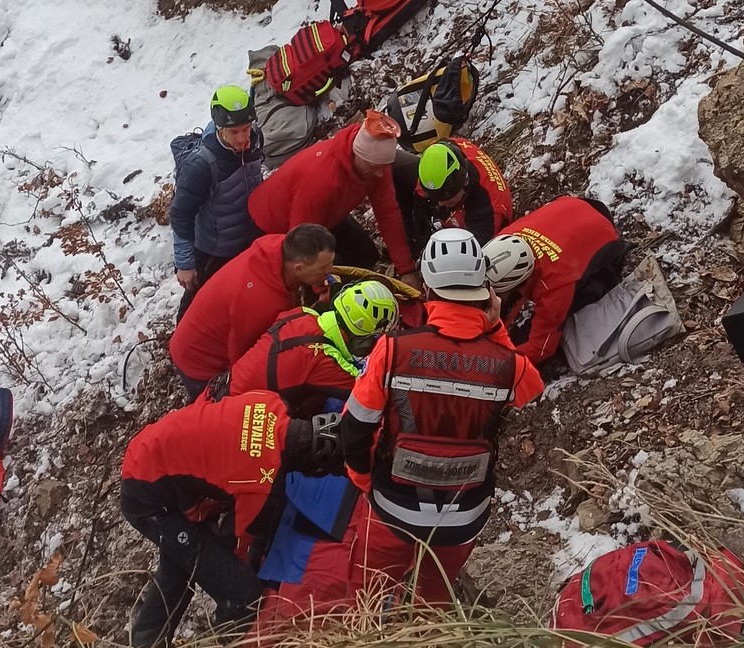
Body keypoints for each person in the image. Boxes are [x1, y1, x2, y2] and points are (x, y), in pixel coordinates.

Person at [338, 228, 544, 605]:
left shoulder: (392, 350)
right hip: (464, 515)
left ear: (429, 291)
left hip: (392, 506)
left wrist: (366, 481)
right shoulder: (508, 365)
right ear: (485, 293)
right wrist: (495, 327)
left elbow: (354, 429)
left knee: (365, 598)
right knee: (433, 603)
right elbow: (532, 390)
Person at [121, 388, 343, 648]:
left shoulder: (271, 402)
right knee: (243, 594)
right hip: (148, 496)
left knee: (181, 564)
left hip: (149, 453)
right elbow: (238, 547)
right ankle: (222, 640)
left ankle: (146, 643)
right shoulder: (264, 479)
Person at [247, 110, 421, 288]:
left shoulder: (376, 165)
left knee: (367, 257)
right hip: (274, 226)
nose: (380, 174)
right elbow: (300, 241)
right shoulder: (321, 180)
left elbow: (388, 213)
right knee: (339, 279)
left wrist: (406, 269)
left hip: (329, 215)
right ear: (357, 155)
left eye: (383, 168)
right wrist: (319, 286)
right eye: (374, 167)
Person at [169, 224, 336, 401]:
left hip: (215, 329)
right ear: (298, 269)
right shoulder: (260, 302)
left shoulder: (278, 247)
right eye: (324, 268)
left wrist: (320, 285)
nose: (330, 270)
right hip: (200, 362)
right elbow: (244, 363)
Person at [482, 195, 627, 365]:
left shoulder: (553, 286)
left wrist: (496, 363)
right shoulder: (501, 242)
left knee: (576, 303)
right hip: (574, 206)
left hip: (605, 234)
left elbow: (540, 348)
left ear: (520, 283)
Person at [228, 281, 400, 417]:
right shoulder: (323, 359)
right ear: (363, 340)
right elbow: (370, 391)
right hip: (239, 420)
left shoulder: (301, 313)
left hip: (222, 392)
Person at [171, 85, 266, 321]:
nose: (242, 138)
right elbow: (180, 215)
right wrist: (185, 264)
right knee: (196, 303)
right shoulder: (201, 164)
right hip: (213, 250)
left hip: (246, 239)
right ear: (220, 129)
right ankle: (179, 349)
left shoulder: (255, 140)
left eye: (246, 128)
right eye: (234, 132)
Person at [393, 138, 512, 257]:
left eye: (444, 198)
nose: (440, 204)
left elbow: (472, 258)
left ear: (462, 183)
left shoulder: (488, 210)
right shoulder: (440, 154)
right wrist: (422, 242)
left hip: (483, 232)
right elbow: (422, 199)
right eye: (435, 197)